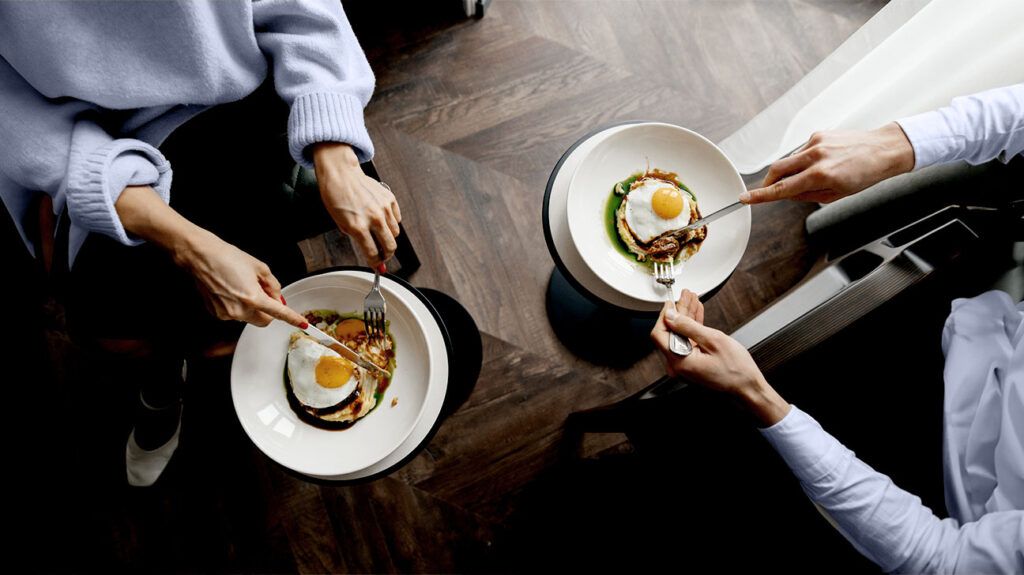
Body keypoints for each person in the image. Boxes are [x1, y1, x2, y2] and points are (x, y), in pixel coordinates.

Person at [0, 1, 399, 486]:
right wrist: (189, 245)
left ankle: (207, 362)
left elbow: (299, 10)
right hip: (93, 152)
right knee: (108, 324)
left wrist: (334, 150)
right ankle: (160, 385)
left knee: (251, 308)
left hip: (246, 100)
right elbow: (16, 123)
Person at [652, 84, 1024, 573]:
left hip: (936, 470)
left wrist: (756, 395)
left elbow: (940, 559)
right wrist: (895, 144)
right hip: (986, 314)